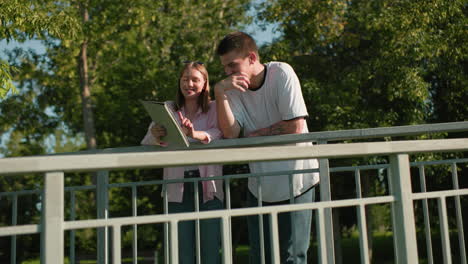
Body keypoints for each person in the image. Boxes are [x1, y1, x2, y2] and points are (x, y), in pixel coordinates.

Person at [214, 31, 319, 264]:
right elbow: (231, 133)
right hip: (260, 185)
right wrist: (220, 93)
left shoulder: (281, 73)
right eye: (224, 67)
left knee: (293, 257)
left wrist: (257, 134)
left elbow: (295, 126)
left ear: (252, 58)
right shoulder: (231, 90)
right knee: (259, 257)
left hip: (298, 181)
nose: (227, 73)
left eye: (232, 65)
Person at [141, 61, 223, 264]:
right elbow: (147, 141)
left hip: (209, 186)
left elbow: (219, 133)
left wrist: (194, 133)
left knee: (210, 250)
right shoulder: (168, 108)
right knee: (181, 252)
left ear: (205, 83)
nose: (189, 84)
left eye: (195, 79)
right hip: (176, 188)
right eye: (185, 79)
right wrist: (155, 134)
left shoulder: (214, 108)